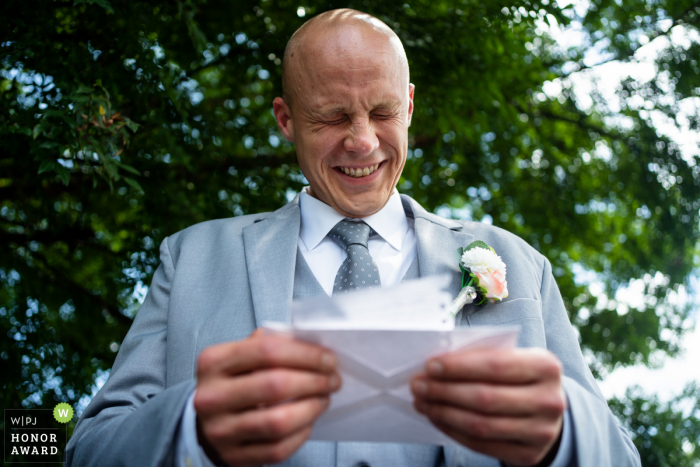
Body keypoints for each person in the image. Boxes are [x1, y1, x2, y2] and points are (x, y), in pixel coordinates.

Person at [65, 9, 641, 467]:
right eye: (331, 118)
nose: (362, 142)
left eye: (383, 112)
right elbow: (90, 449)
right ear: (286, 120)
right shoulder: (191, 257)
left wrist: (563, 434)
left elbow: (618, 456)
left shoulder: (518, 263)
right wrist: (190, 425)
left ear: (410, 106)